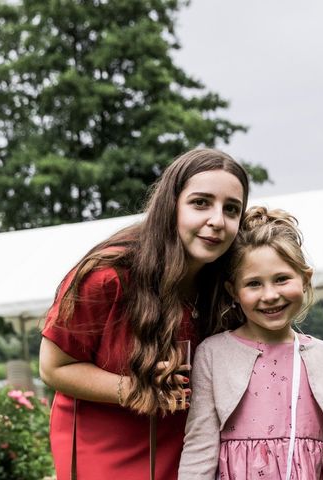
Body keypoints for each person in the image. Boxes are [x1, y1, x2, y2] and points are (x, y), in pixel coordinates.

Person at [39, 148, 250, 479]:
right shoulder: (107, 277)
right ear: (171, 205)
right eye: (201, 203)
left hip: (191, 457)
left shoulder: (229, 285)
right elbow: (54, 368)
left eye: (231, 209)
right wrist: (136, 389)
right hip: (105, 454)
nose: (217, 220)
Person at [178, 206, 323, 480]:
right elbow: (200, 445)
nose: (270, 295)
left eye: (281, 279)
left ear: (305, 279)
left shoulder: (320, 354)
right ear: (234, 292)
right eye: (254, 284)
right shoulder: (214, 353)